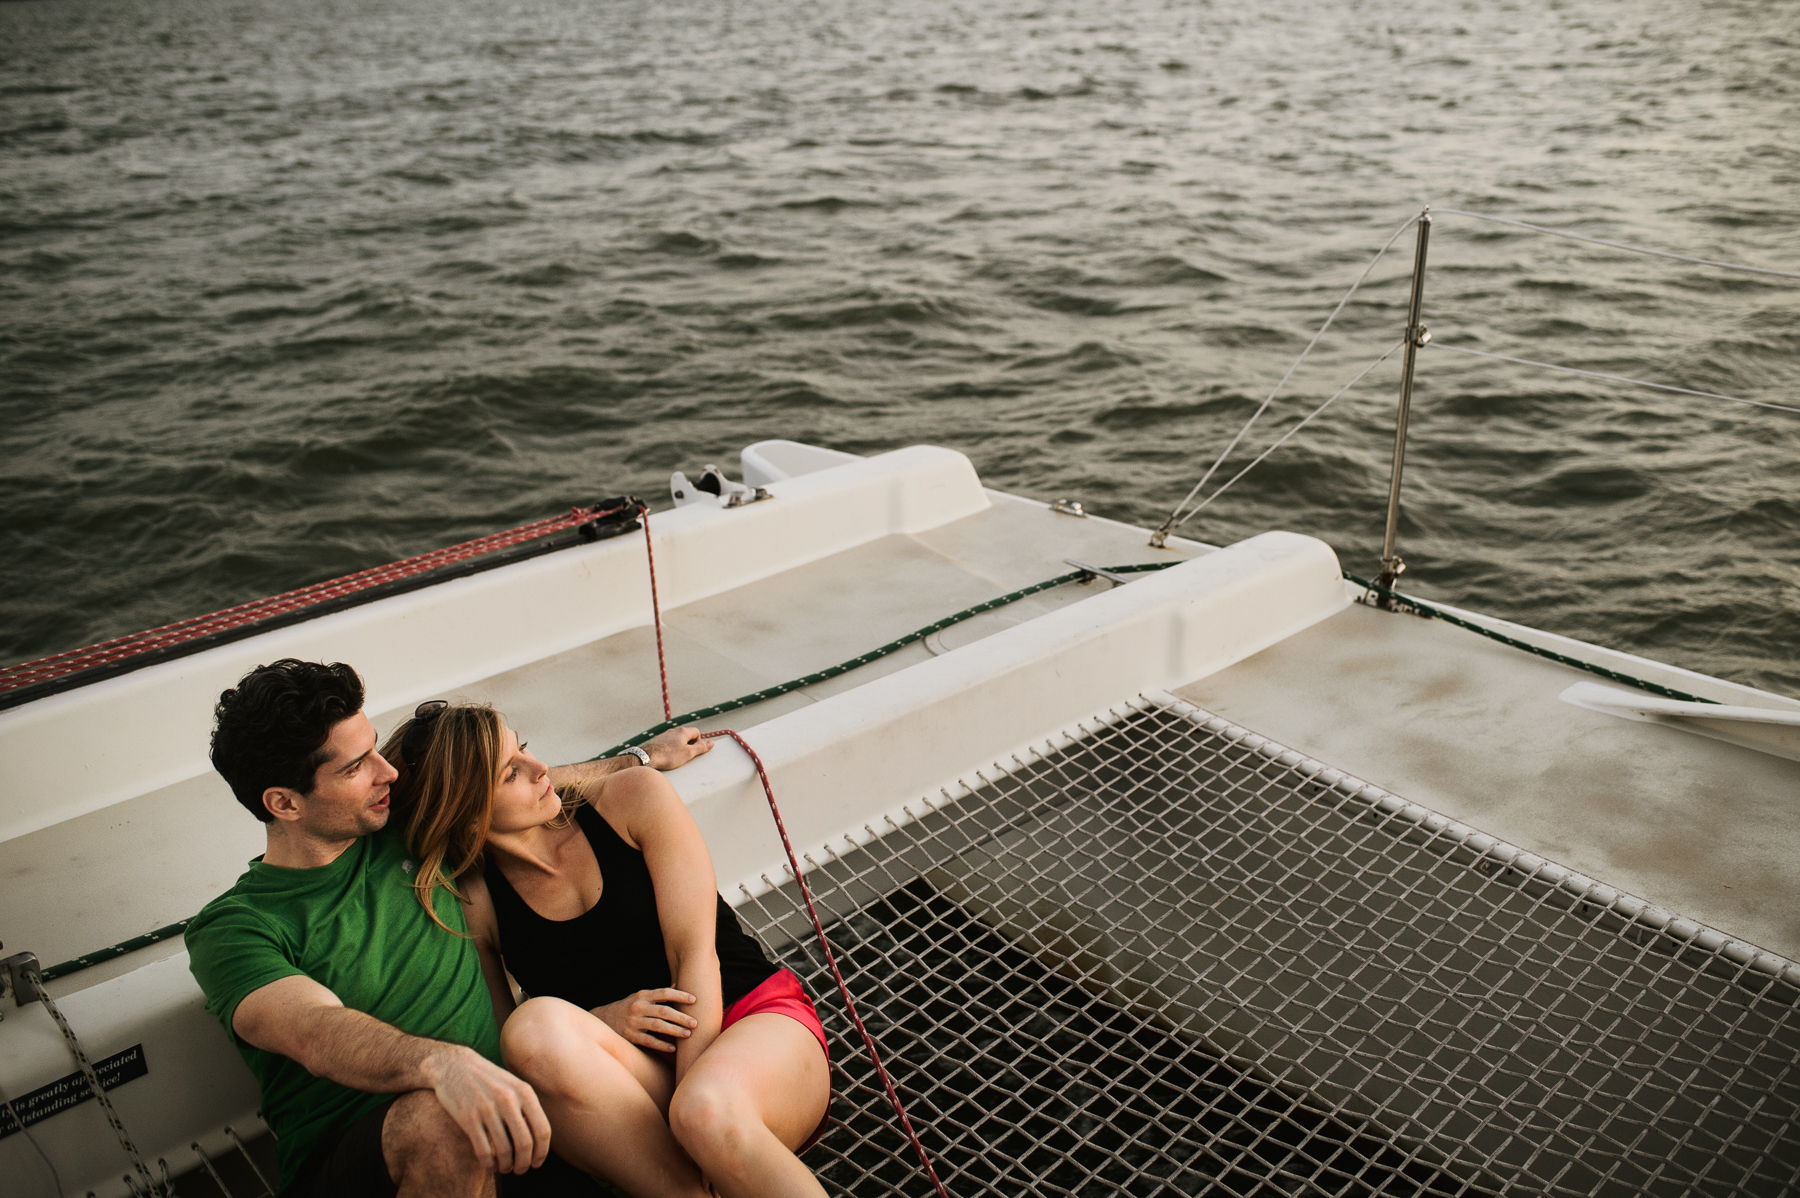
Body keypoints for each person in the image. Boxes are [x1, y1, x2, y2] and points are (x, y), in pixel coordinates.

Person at [185, 659, 710, 1197]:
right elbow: (313, 1029)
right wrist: (440, 1065)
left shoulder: (404, 833)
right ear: (284, 803)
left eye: (374, 750)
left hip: (509, 1131)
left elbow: (498, 783)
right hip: (368, 1160)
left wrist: (642, 758)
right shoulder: (235, 928)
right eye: (355, 767)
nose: (386, 773)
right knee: (446, 1121)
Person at [383, 701, 832, 1198]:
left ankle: (693, 1160)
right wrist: (601, 1021)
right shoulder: (475, 898)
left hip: (749, 1026)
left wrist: (686, 1117)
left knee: (704, 1111)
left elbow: (694, 954)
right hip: (633, 1084)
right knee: (529, 1028)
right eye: (512, 772)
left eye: (526, 748)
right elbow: (504, 1055)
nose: (541, 769)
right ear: (467, 819)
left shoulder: (629, 800)